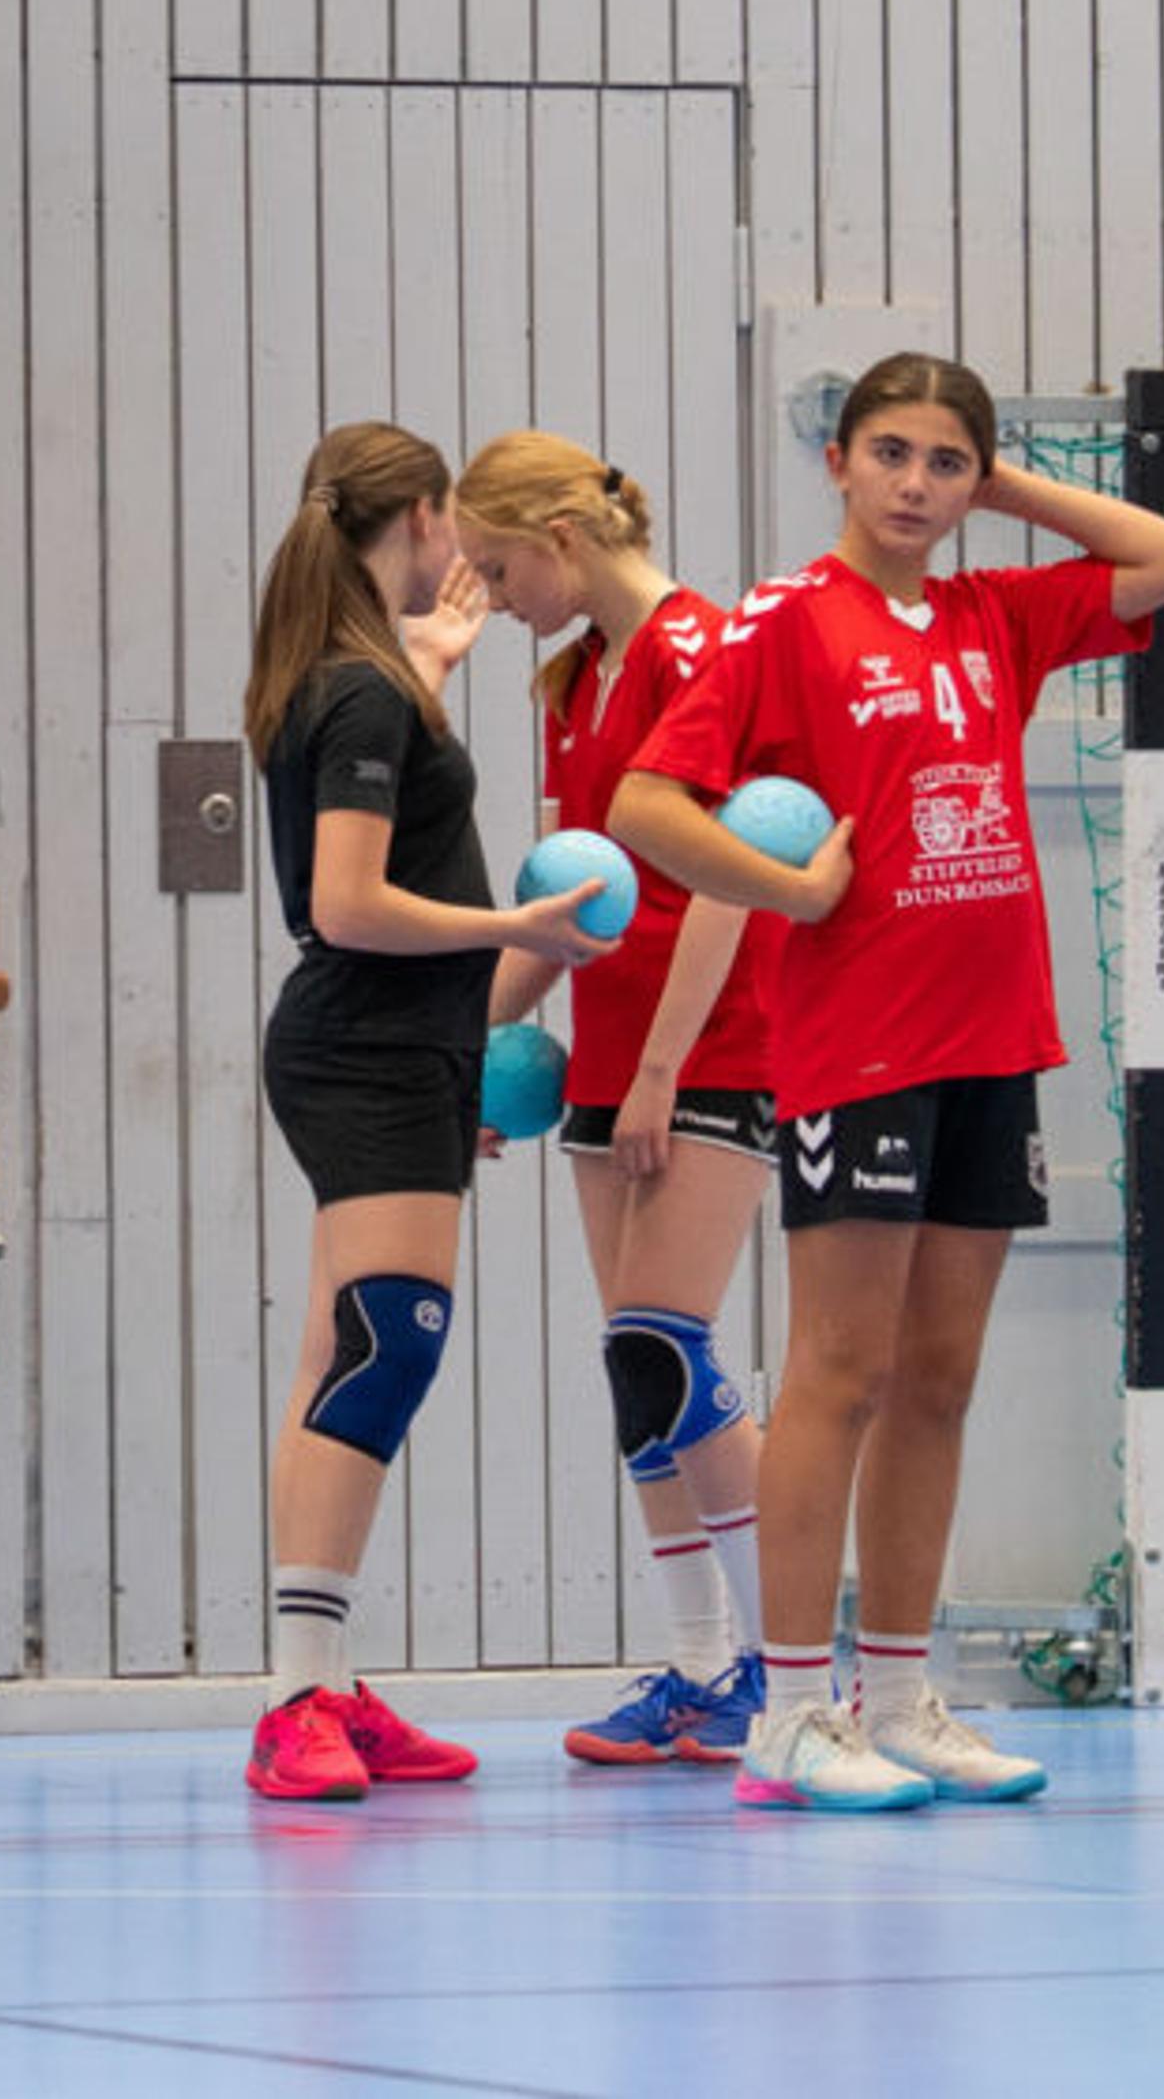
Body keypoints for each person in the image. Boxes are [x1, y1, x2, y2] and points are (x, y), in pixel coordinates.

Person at [613, 352, 1164, 1811]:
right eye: (891, 452)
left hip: (994, 1038)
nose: (916, 484)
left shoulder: (990, 615)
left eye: (946, 463)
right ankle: (793, 1709)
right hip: (857, 1047)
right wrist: (786, 889)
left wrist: (1001, 484)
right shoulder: (781, 624)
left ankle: (898, 1693)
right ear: (837, 460)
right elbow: (645, 801)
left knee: (938, 1381)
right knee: (839, 1372)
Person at [240, 423, 614, 1803]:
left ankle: (318, 1682)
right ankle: (294, 1698)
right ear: (417, 513)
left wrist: (434, 664)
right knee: (390, 1346)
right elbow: (345, 902)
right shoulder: (361, 695)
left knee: (348, 1348)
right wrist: (514, 923)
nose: (465, 548)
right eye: (453, 517)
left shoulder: (357, 677)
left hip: (405, 1053)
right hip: (366, 1052)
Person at [454, 431, 780, 1766]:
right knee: (635, 1371)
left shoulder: (700, 653)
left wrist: (657, 1070)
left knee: (668, 1342)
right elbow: (576, 903)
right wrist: (466, 1052)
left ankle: (798, 1663)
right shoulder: (572, 679)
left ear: (565, 541)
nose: (494, 591)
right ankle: (702, 1663)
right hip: (607, 1050)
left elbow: (728, 871)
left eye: (499, 564)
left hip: (712, 1045)